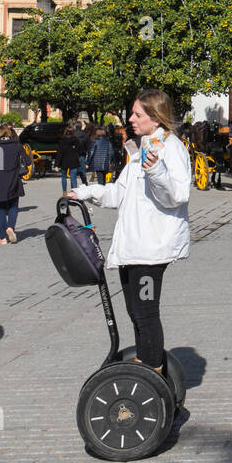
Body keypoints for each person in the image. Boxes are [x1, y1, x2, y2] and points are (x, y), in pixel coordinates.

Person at [68, 89, 191, 373]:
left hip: (151, 248)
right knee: (135, 312)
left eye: (138, 114)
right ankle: (147, 368)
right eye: (132, 113)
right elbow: (118, 193)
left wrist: (157, 171)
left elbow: (178, 195)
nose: (131, 119)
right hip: (132, 247)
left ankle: (150, 373)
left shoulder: (171, 148)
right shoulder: (141, 149)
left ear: (156, 117)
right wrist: (83, 192)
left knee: (146, 313)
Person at [0, 125, 30, 244]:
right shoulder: (16, 145)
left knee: (0, 208)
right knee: (13, 206)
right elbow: (28, 161)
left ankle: (2, 237)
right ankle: (10, 227)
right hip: (13, 178)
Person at [56, 128, 82, 194]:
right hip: (74, 161)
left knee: (64, 177)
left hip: (64, 161)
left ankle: (64, 192)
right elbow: (79, 151)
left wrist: (57, 165)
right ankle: (74, 192)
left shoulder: (62, 141)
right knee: (73, 178)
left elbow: (59, 153)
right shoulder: (76, 140)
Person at [72, 120, 91, 188]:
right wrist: (88, 161)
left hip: (73, 156)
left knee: (73, 174)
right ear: (81, 127)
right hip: (82, 155)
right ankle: (85, 186)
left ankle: (74, 189)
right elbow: (89, 148)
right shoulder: (85, 135)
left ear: (75, 127)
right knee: (83, 173)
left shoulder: (72, 135)